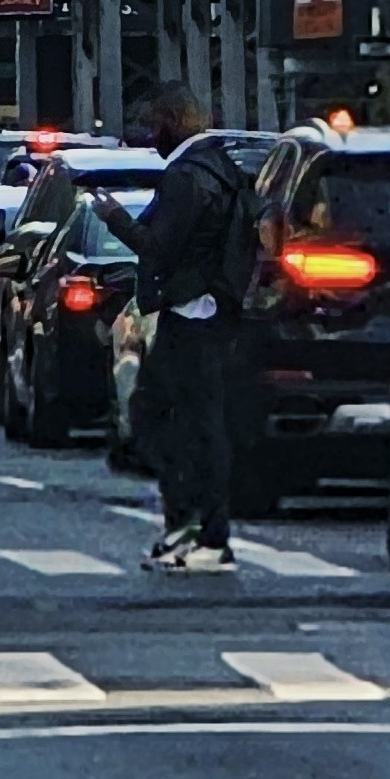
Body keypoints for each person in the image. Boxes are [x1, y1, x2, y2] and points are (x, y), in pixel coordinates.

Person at [122, 82, 255, 575]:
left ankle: (207, 535)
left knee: (185, 425)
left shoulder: (186, 176)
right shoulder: (221, 168)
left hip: (191, 315)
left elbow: (159, 246)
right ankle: (187, 525)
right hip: (206, 313)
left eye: (153, 123)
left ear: (172, 121)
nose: (147, 134)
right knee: (174, 420)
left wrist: (111, 217)